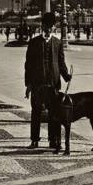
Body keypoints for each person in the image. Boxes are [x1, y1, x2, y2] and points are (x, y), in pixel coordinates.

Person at [24, 13, 70, 152]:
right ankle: (34, 140)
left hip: (53, 85)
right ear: (42, 26)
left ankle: (53, 140)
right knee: (36, 112)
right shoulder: (34, 42)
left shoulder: (57, 43)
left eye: (50, 26)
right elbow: (28, 65)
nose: (48, 29)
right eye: (46, 26)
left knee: (54, 114)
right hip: (38, 85)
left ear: (53, 27)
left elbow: (61, 62)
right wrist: (28, 85)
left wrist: (66, 75)